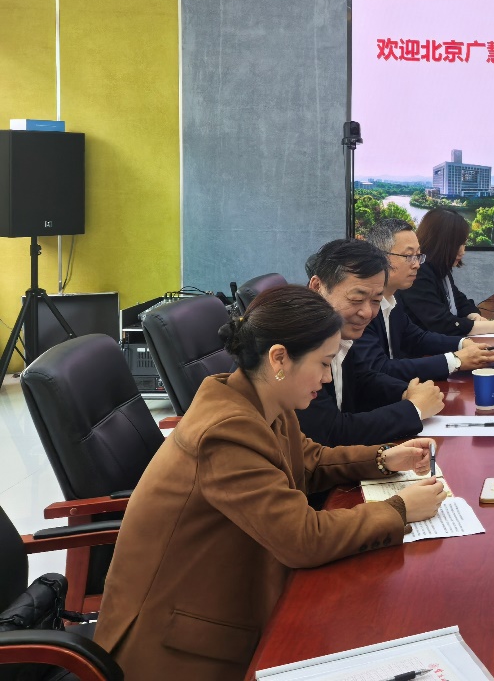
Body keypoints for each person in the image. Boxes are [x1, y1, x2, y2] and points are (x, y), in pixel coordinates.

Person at [94, 286, 448, 680]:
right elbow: (302, 538)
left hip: (228, 600)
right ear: (279, 358)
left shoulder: (261, 399)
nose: (327, 377)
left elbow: (308, 460)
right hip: (175, 645)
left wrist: (382, 458)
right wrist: (399, 510)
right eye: (323, 363)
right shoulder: (226, 431)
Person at [297, 238, 444, 446]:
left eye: (376, 301)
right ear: (317, 287)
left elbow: (362, 378)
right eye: (356, 299)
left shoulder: (338, 333)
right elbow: (330, 433)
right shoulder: (297, 341)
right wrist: (414, 409)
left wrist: (406, 392)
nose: (367, 313)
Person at [357, 218, 494, 381]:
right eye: (408, 256)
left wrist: (463, 343)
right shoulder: (361, 308)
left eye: (418, 256)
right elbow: (380, 369)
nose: (416, 265)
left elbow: (417, 338)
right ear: (380, 257)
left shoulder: (393, 299)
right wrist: (455, 361)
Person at [397, 207, 494, 337]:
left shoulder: (439, 269)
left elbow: (460, 301)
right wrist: (492, 326)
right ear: (439, 243)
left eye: (464, 244)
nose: (463, 251)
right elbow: (440, 323)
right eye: (457, 245)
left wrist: (474, 316)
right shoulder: (417, 274)